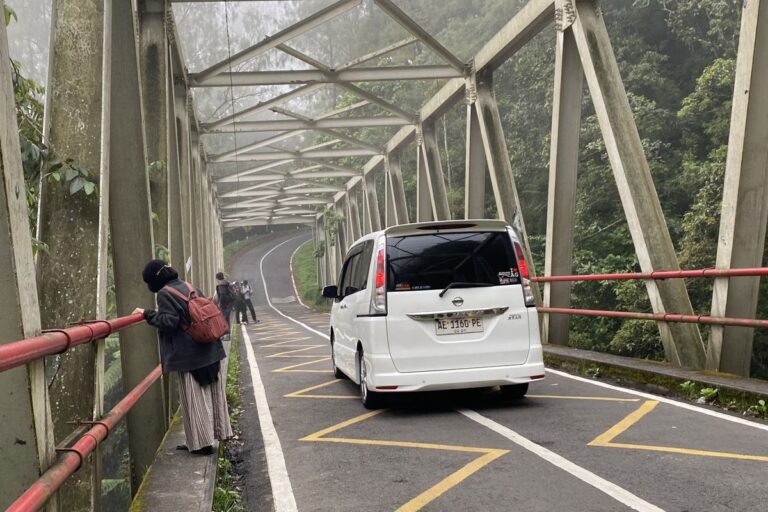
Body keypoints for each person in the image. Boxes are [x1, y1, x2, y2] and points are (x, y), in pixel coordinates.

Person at [133, 260, 232, 456]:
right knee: (212, 394)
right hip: (210, 347)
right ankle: (216, 433)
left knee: (194, 398)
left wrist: (148, 314)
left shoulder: (164, 294)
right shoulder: (190, 286)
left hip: (190, 355)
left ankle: (202, 444)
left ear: (155, 279)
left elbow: (170, 322)